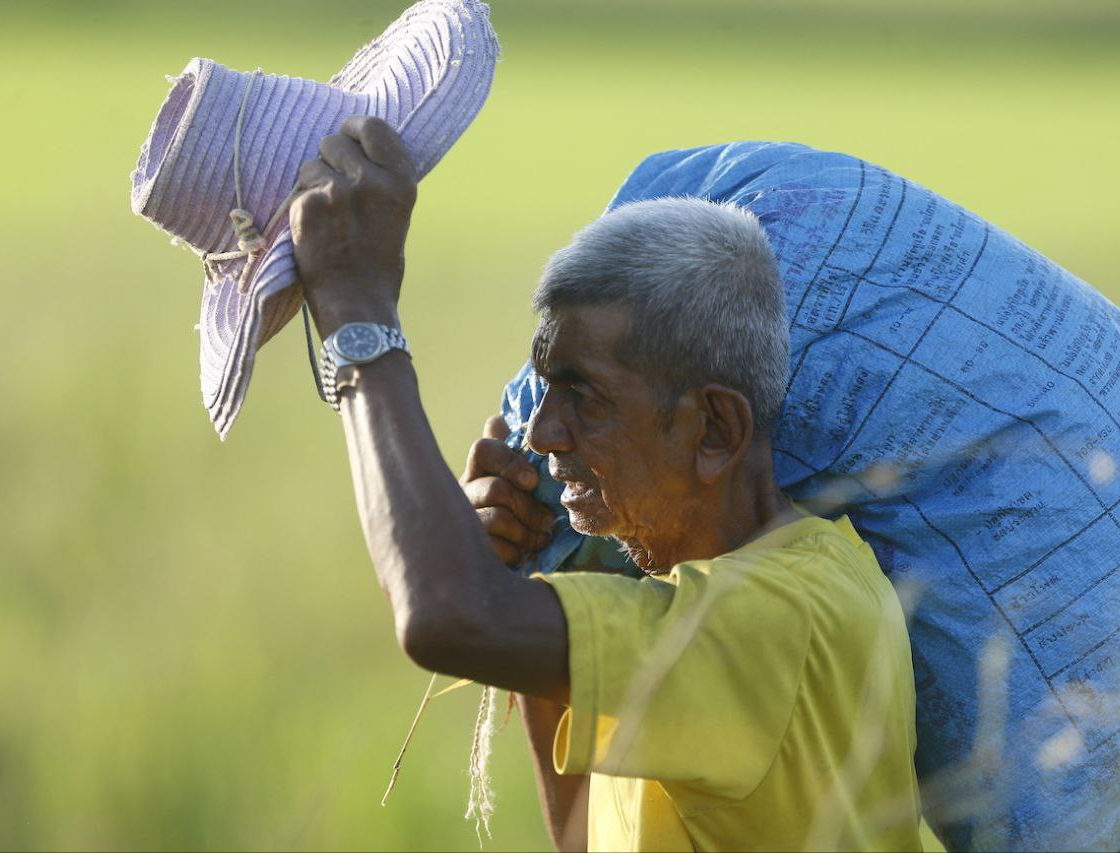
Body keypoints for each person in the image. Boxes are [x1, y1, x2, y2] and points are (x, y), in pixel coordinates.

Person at [290, 115, 922, 852]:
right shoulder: (690, 603)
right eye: (546, 389)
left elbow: (444, 619)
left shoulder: (780, 618)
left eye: (583, 394)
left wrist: (358, 318)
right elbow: (583, 836)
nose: (541, 434)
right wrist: (537, 570)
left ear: (715, 428)